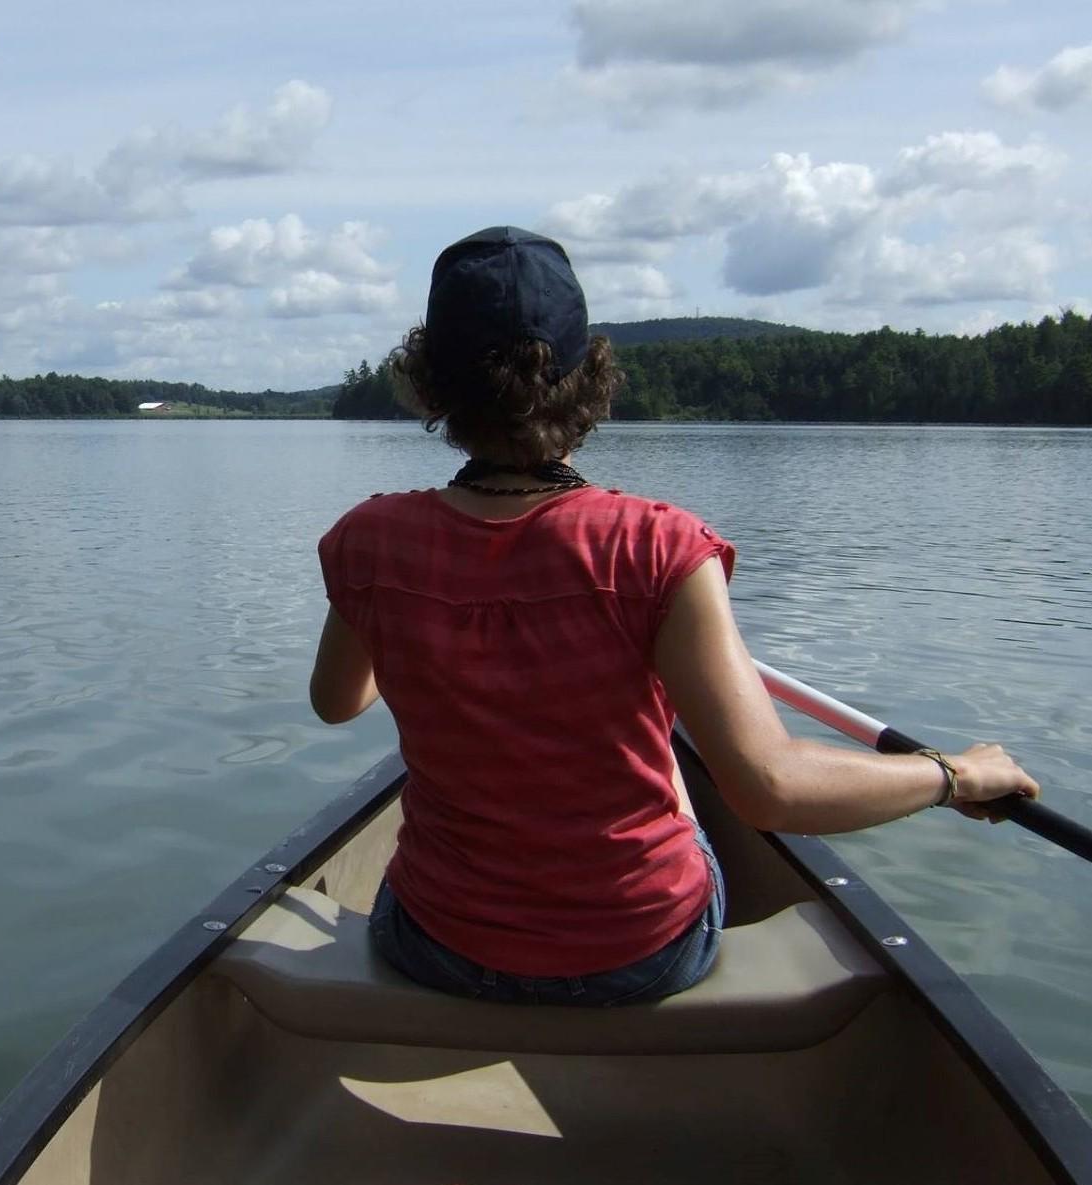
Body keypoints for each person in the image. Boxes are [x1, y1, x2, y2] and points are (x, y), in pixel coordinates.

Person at [309, 226, 1040, 1007]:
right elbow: (770, 790)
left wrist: (437, 631)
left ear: (433, 384)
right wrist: (953, 774)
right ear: (587, 379)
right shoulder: (658, 546)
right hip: (638, 954)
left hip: (436, 944)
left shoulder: (370, 541)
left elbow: (337, 700)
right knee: (680, 769)